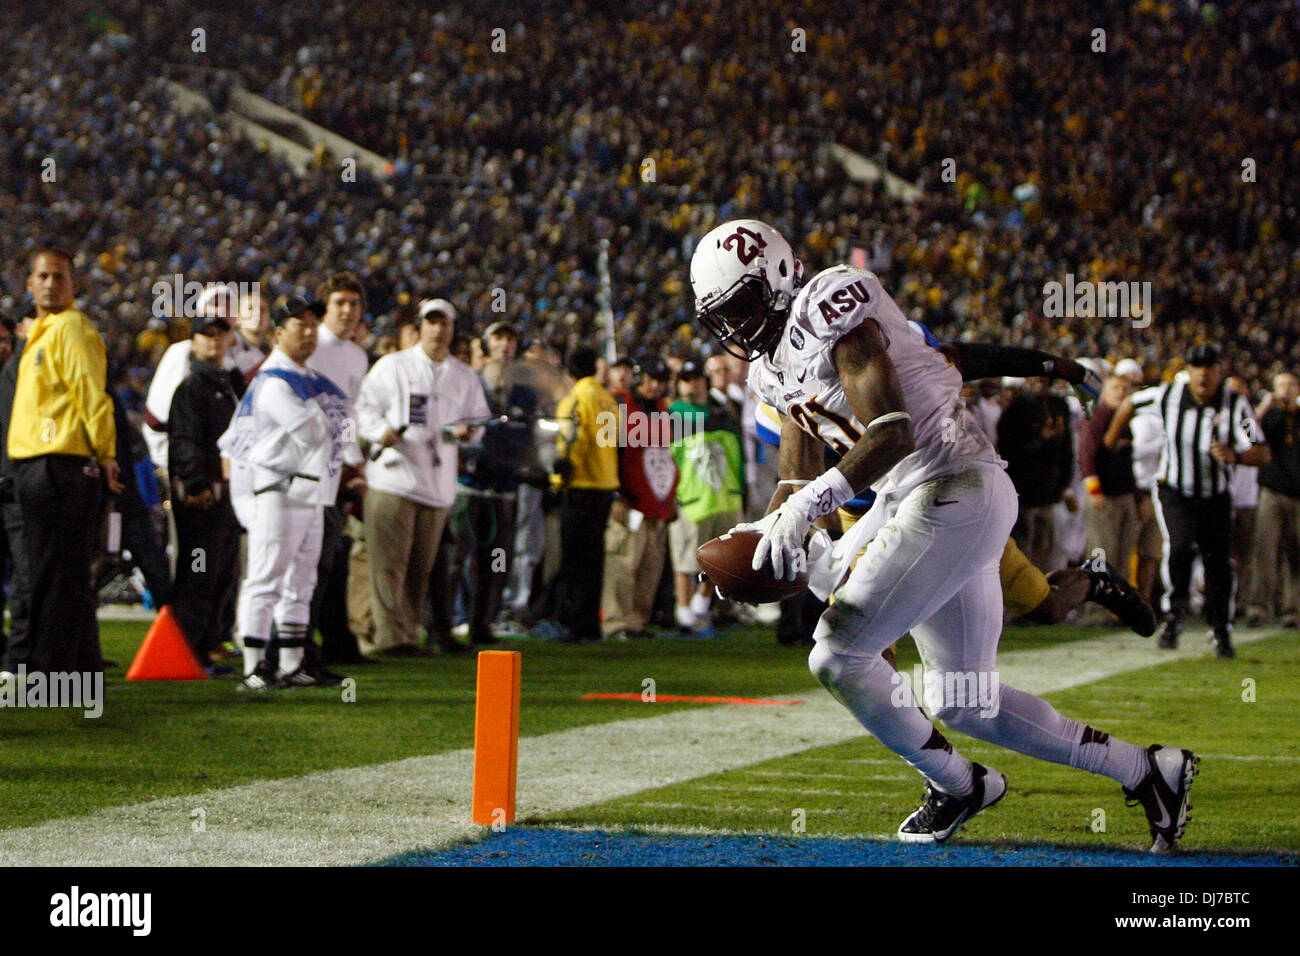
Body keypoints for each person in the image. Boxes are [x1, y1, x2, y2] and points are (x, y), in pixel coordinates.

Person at [691, 218, 1196, 851]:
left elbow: (892, 432)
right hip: (919, 504)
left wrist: (810, 508)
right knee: (965, 701)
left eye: (742, 305)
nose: (737, 328)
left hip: (954, 486)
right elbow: (796, 475)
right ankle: (1150, 772)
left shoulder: (832, 302)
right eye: (723, 316)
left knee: (836, 654)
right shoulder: (768, 370)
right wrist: (770, 531)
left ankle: (959, 784)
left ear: (780, 278)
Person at [219, 295, 353, 689]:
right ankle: (253, 665)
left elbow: (341, 429)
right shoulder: (274, 380)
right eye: (300, 325)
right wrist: (327, 420)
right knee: (265, 577)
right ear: (279, 333)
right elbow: (314, 432)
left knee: (303, 580)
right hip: (276, 488)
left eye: (313, 324)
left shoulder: (309, 378)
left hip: (311, 491)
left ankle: (292, 663)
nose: (310, 332)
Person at [1104, 345, 1270, 657]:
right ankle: (1173, 616)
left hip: (1216, 494)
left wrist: (1236, 454)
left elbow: (1260, 450)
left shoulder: (1236, 404)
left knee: (1218, 561)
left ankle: (1221, 627)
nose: (1203, 372)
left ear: (1219, 370)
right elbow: (1129, 402)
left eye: (1209, 366)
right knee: (1179, 548)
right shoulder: (1166, 395)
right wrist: (1111, 440)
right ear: (1189, 371)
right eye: (1197, 366)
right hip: (1175, 490)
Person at [8, 248, 121, 675]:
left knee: (53, 574)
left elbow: (91, 393)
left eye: (59, 276)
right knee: (62, 572)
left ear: (74, 285)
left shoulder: (71, 328)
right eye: (43, 276)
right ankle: (75, 665)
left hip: (60, 464)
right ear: (30, 284)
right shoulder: (44, 331)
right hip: (45, 465)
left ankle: (50, 671)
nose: (51, 283)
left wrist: (105, 454)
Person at [355, 298, 489, 655]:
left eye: (444, 323)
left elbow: (479, 422)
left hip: (437, 483)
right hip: (393, 476)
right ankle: (388, 637)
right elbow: (363, 407)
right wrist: (379, 430)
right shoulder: (393, 365)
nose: (438, 329)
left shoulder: (463, 375)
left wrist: (468, 432)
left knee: (420, 569)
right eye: (432, 322)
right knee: (388, 566)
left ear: (452, 328)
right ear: (420, 327)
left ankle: (407, 633)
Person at [168, 313, 246, 670]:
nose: (214, 340)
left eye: (220, 334)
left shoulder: (230, 383)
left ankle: (208, 645)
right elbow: (184, 439)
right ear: (194, 341)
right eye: (206, 334)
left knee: (219, 573)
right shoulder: (192, 388)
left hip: (228, 496)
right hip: (204, 499)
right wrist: (195, 483)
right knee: (198, 571)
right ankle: (188, 650)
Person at [602, 357, 678, 641]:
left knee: (649, 566)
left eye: (660, 380)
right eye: (651, 379)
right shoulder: (619, 404)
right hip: (629, 501)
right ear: (638, 377)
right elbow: (608, 453)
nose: (656, 386)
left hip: (655, 501)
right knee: (622, 564)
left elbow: (665, 458)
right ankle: (614, 622)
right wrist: (616, 495)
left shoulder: (662, 409)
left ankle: (635, 622)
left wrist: (671, 497)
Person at [667, 360, 745, 635]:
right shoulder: (673, 413)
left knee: (716, 560)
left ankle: (700, 607)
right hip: (690, 498)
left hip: (722, 496)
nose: (692, 384)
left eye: (696, 378)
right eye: (686, 379)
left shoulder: (721, 411)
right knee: (686, 560)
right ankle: (685, 611)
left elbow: (737, 454)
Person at [548, 346, 619, 643]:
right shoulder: (607, 399)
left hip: (581, 487)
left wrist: (557, 481)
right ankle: (591, 625)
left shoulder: (574, 400)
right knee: (594, 560)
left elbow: (572, 444)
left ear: (569, 372)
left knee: (574, 560)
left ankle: (575, 624)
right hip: (605, 485)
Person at [1244, 372, 1300, 627]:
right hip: (1271, 490)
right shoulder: (1269, 416)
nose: (1286, 390)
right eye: (1281, 385)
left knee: (1296, 555)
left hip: (1298, 493)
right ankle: (1258, 607)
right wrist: (1266, 405)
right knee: (1264, 551)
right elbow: (1247, 431)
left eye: (1290, 385)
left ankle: (1293, 610)